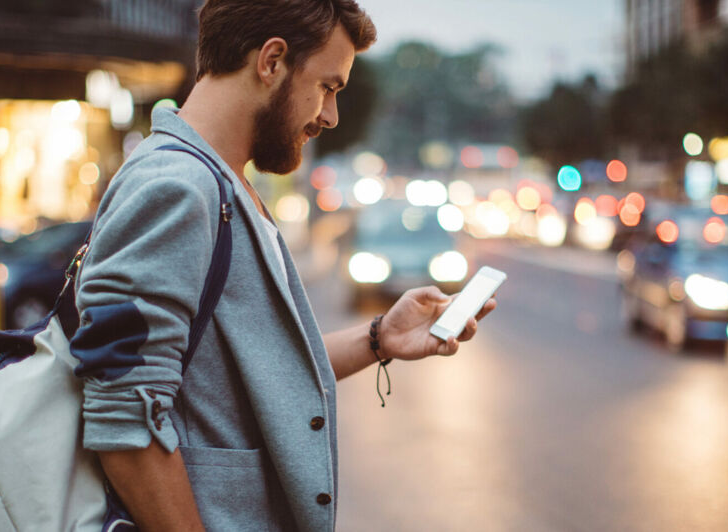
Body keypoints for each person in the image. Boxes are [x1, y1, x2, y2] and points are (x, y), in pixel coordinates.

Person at [71, 1, 497, 530]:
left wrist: (379, 337)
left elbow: (256, 374)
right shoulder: (177, 188)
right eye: (328, 87)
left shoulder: (223, 182)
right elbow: (123, 418)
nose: (330, 116)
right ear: (271, 61)